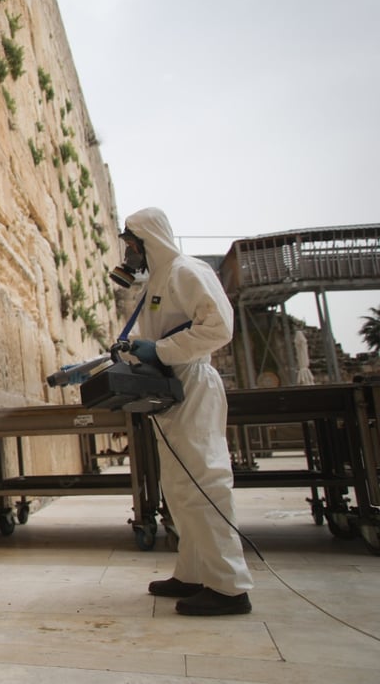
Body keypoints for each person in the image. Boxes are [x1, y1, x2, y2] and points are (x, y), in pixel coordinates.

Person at [117, 207, 254, 616]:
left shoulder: (188, 271)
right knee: (179, 487)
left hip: (193, 384)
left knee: (204, 482)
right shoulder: (158, 281)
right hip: (171, 390)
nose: (129, 255)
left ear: (147, 241)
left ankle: (229, 587)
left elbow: (218, 328)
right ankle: (194, 572)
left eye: (132, 246)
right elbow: (161, 338)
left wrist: (158, 350)